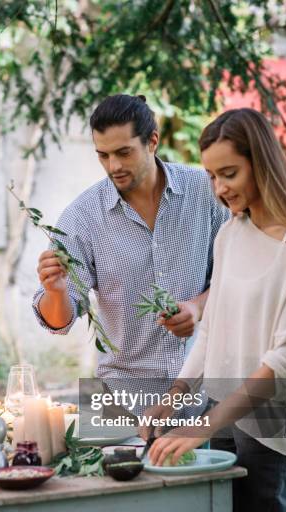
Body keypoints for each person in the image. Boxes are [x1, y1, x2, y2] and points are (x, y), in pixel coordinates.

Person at [146, 108, 286, 512]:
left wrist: (202, 427)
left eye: (229, 173)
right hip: (222, 408)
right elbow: (212, 330)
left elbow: (283, 365)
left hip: (273, 425)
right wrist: (174, 401)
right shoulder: (230, 234)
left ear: (261, 164)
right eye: (211, 175)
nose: (219, 188)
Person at [33, 94, 229, 393]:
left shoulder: (206, 192)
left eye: (124, 152)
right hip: (123, 399)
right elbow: (58, 323)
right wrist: (56, 291)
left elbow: (239, 276)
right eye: (103, 155)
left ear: (152, 141)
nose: (113, 166)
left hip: (206, 390)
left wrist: (198, 307)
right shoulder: (82, 218)